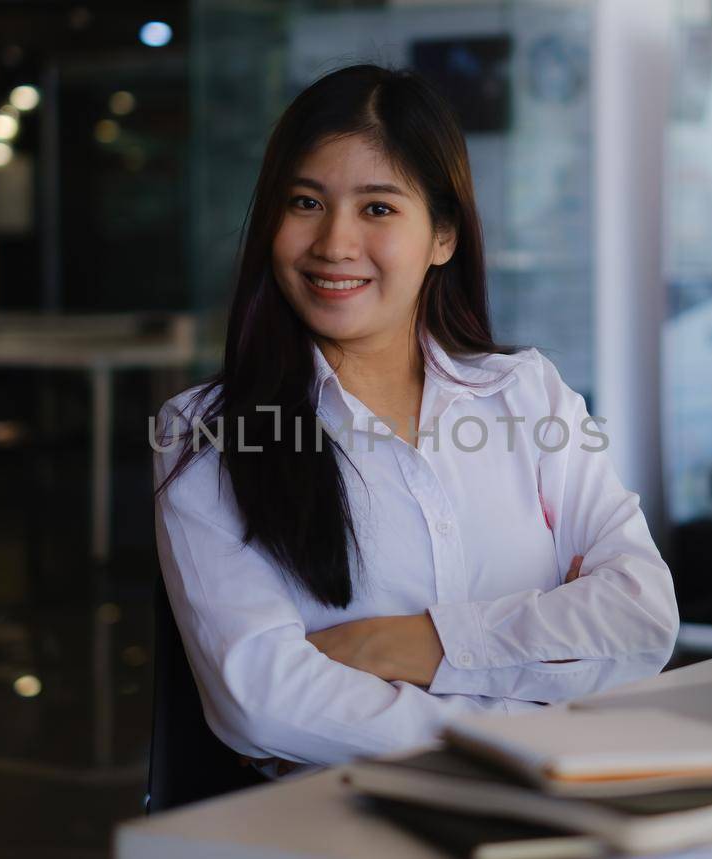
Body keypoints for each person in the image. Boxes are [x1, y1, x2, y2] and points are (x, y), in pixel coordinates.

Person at [151, 64, 677, 770]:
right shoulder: (205, 436)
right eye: (305, 202)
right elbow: (263, 700)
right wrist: (530, 700)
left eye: (377, 208)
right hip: (340, 826)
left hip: (563, 804)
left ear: (444, 236)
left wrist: (410, 643)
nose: (334, 244)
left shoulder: (528, 397)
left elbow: (639, 620)